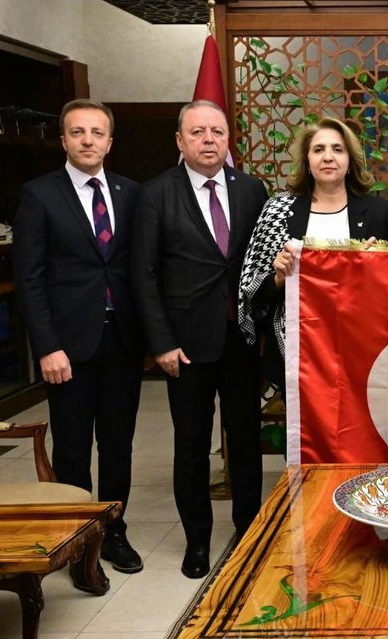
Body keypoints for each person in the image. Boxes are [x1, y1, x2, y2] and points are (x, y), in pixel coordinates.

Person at [131, 99, 269, 579]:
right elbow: (144, 275)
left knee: (246, 439)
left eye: (217, 132)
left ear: (228, 139)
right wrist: (161, 343)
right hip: (185, 344)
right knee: (190, 444)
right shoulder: (156, 194)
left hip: (242, 338)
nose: (208, 140)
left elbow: (260, 263)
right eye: (197, 132)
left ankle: (249, 530)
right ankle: (197, 541)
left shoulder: (252, 189)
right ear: (180, 140)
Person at [13, 99, 144, 586]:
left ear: (110, 142)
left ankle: (113, 530)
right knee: (72, 447)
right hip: (67, 347)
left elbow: (139, 268)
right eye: (77, 132)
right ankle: (76, 540)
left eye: (97, 132)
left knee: (118, 445)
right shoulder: (39, 194)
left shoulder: (131, 194)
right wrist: (46, 346)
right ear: (63, 140)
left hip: (123, 340)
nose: (88, 140)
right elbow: (29, 278)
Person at [238, 116, 388, 384]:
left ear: (350, 161)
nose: (328, 157)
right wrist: (278, 277)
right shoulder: (278, 211)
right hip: (296, 352)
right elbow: (251, 292)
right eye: (318, 149)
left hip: (362, 349)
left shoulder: (377, 212)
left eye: (337, 149)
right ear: (307, 161)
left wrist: (378, 265)